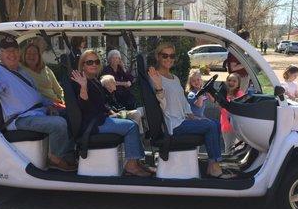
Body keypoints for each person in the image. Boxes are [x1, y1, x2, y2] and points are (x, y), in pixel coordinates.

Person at [0, 36, 76, 172]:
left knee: (73, 115)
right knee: (58, 124)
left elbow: (35, 95)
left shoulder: (21, 71)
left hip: (37, 112)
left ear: (19, 52)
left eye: (14, 50)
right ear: (0, 54)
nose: (12, 54)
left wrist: (50, 104)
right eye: (7, 51)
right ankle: (56, 159)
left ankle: (71, 153)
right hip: (21, 119)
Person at [148, 42, 232, 178]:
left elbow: (183, 103)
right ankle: (215, 167)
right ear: (158, 57)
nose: (169, 58)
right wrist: (158, 87)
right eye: (165, 55)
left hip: (182, 120)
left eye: (172, 56)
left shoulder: (174, 78)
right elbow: (159, 105)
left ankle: (212, 164)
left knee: (215, 123)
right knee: (210, 126)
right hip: (172, 125)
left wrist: (193, 116)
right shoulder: (155, 77)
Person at [70, 50, 152, 177]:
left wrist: (111, 112)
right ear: (83, 65)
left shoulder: (94, 80)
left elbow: (101, 104)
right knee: (131, 126)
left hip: (101, 119)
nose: (94, 64)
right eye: (89, 62)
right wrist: (83, 87)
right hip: (93, 125)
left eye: (96, 62)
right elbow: (84, 106)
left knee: (132, 121)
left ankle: (136, 161)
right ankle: (131, 166)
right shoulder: (80, 81)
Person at [20, 39, 64, 104]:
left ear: (39, 56)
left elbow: (59, 90)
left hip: (56, 103)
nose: (32, 56)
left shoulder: (46, 69)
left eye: (35, 53)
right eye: (28, 53)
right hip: (40, 105)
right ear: (24, 55)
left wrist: (62, 101)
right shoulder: (20, 68)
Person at [220, 73, 244, 152]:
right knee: (228, 145)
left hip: (235, 124)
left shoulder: (239, 94)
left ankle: (228, 163)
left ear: (238, 84)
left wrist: (231, 100)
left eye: (234, 81)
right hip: (225, 123)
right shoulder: (224, 93)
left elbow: (239, 107)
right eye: (229, 80)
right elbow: (220, 107)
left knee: (231, 147)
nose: (231, 83)